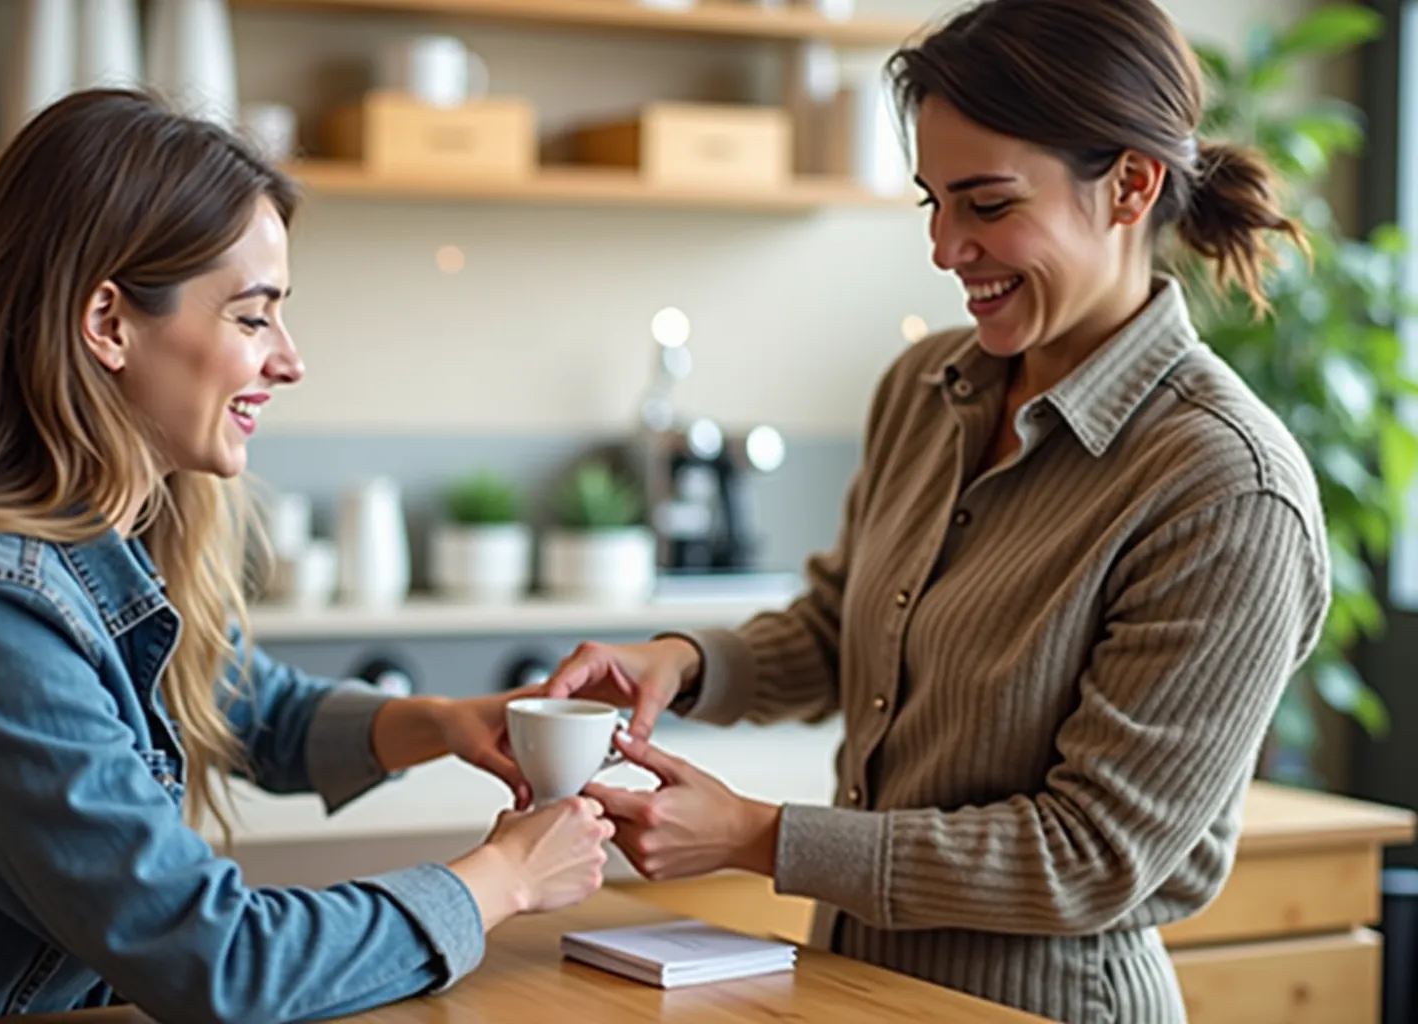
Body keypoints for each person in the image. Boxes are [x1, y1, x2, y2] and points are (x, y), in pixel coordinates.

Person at [0, 89, 611, 1024]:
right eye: (254, 318)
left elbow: (241, 704)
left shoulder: (112, 542)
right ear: (107, 323)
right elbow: (215, 960)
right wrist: (498, 880)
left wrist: (448, 722)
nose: (291, 361)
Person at [543, 1, 1328, 1021]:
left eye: (988, 204)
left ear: (1129, 185)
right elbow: (841, 629)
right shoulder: (926, 386)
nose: (944, 246)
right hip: (853, 983)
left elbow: (1092, 856)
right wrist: (686, 665)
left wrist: (756, 837)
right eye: (932, 202)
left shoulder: (1225, 487)